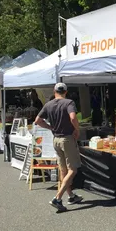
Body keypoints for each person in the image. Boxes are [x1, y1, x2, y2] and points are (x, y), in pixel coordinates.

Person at [35, 83, 83, 212]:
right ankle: (58, 198)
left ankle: (71, 196)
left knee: (63, 170)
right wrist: (77, 129)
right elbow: (73, 117)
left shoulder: (49, 104)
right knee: (73, 169)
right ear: (66, 91)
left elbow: (37, 120)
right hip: (67, 138)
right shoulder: (69, 103)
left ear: (54, 91)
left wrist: (51, 127)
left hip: (55, 139)